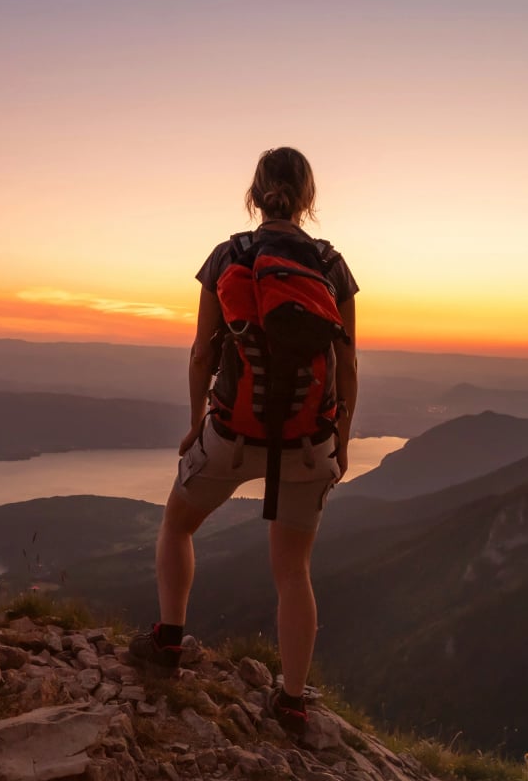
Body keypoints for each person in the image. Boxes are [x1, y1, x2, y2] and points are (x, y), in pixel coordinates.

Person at [130, 147, 358, 739]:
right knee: (292, 571)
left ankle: (169, 640)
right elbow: (347, 363)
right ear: (307, 198)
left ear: (254, 195)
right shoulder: (331, 265)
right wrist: (343, 439)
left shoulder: (229, 255)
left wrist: (192, 422)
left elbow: (204, 352)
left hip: (232, 431)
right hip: (308, 443)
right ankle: (291, 702)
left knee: (177, 525)